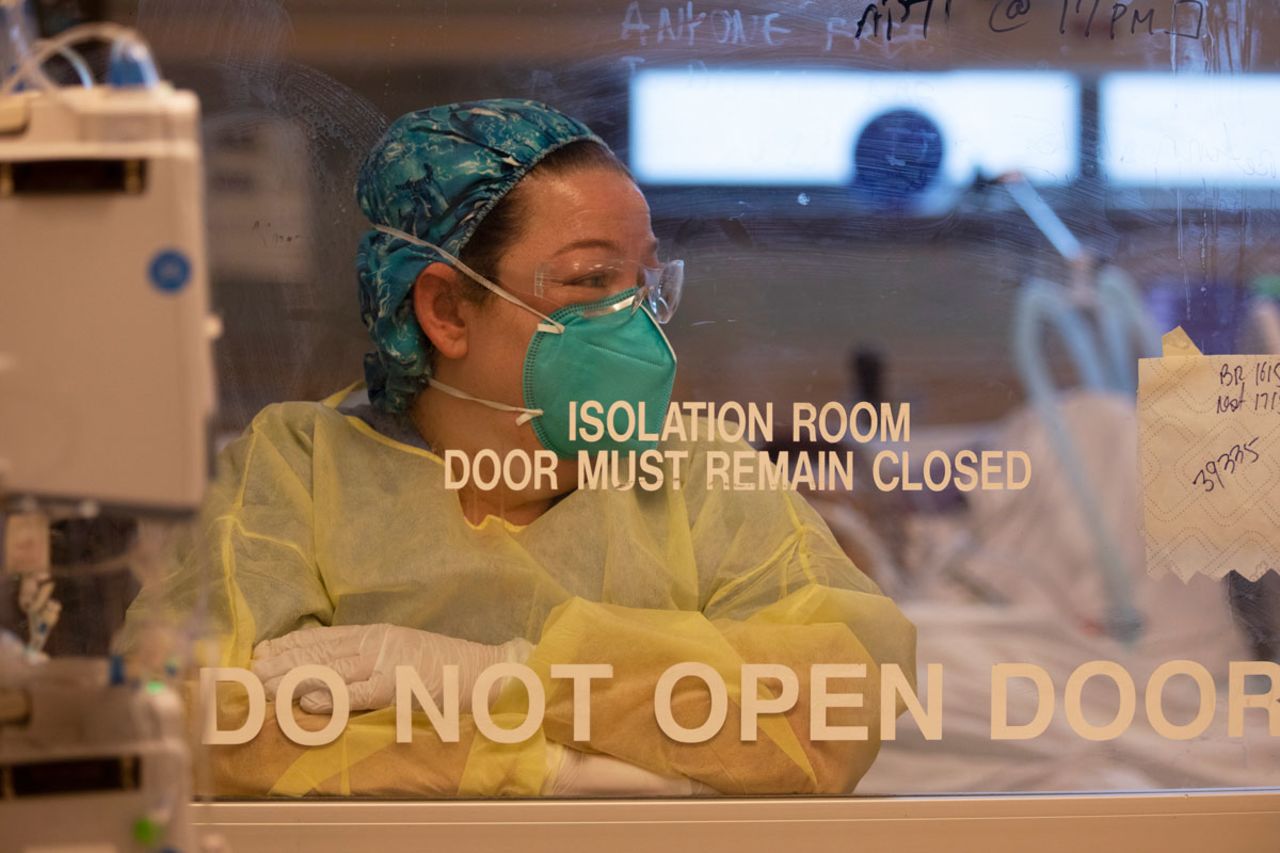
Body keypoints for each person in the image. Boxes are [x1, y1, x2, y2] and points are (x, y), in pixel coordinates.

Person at [123, 99, 916, 797]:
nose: (635, 323)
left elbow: (837, 696)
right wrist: (568, 770)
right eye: (588, 280)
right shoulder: (296, 471)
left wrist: (500, 676)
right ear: (446, 310)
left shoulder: (698, 475)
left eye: (643, 282)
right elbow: (191, 719)